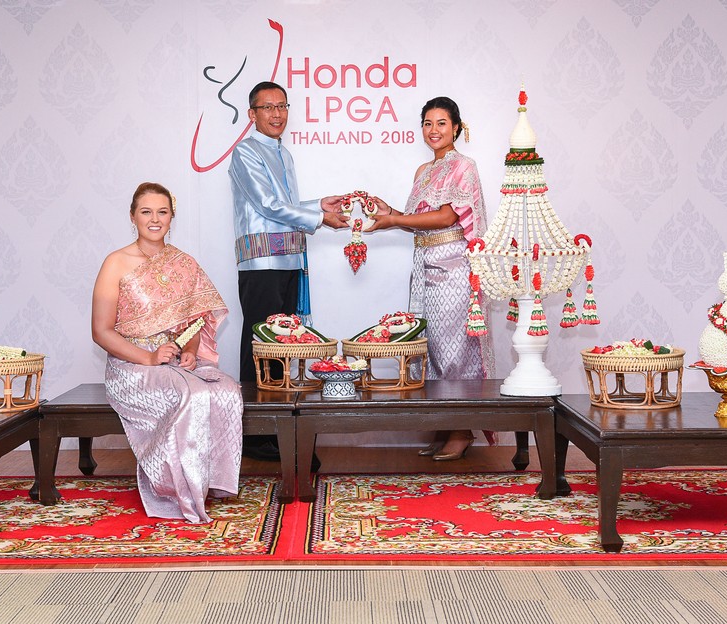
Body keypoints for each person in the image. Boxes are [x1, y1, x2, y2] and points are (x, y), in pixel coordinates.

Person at [91, 182, 243, 523]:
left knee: (227, 390)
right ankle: (176, 490)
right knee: (192, 395)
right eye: (146, 212)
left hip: (174, 359)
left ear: (172, 217)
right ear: (132, 216)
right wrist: (147, 357)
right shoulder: (115, 263)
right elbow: (100, 331)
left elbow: (196, 321)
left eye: (162, 212)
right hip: (132, 365)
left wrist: (189, 349)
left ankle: (209, 483)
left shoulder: (183, 263)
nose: (155, 219)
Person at [368, 96, 496, 461]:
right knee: (433, 348)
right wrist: (389, 212)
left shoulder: (464, 166)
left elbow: (446, 218)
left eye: (441, 123)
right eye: (427, 123)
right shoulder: (423, 171)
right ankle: (445, 423)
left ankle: (462, 429)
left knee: (456, 350)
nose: (433, 130)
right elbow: (418, 222)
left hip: (454, 268)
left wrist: (394, 220)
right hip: (425, 267)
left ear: (456, 127)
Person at [229, 80, 348, 461]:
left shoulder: (284, 153)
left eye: (282, 106)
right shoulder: (245, 152)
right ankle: (253, 434)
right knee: (259, 343)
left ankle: (276, 428)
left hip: (289, 259)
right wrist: (319, 217)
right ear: (252, 114)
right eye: (268, 107)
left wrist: (318, 204)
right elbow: (267, 204)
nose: (277, 114)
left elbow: (284, 204)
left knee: (283, 343)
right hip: (262, 263)